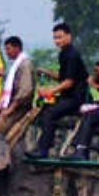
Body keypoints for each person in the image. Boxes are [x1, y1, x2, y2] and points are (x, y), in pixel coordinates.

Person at [32, 23, 88, 159]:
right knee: (44, 108)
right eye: (55, 38)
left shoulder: (72, 55)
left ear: (69, 36)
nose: (57, 41)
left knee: (50, 113)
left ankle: (44, 150)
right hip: (67, 96)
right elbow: (63, 77)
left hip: (75, 98)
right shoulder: (64, 54)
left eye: (60, 37)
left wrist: (50, 91)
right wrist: (47, 72)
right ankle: (41, 145)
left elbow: (69, 82)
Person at [0, 36, 35, 137]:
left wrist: (11, 109)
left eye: (8, 49)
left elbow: (26, 90)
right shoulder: (15, 65)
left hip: (20, 108)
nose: (6, 52)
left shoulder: (25, 65)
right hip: (12, 105)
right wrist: (0, 108)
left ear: (17, 48)